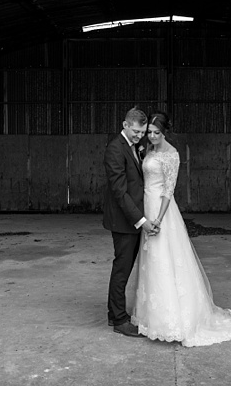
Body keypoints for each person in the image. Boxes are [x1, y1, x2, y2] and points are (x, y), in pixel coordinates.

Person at [126, 111, 231, 347]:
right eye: (149, 133)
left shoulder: (171, 154)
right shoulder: (148, 150)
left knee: (164, 258)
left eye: (157, 133)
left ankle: (171, 320)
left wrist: (158, 218)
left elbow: (169, 190)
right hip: (145, 206)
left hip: (160, 210)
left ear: (165, 132)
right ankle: (150, 316)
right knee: (150, 261)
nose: (152, 137)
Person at [102, 106, 160, 337]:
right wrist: (141, 220)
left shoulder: (134, 146)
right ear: (125, 125)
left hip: (133, 218)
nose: (139, 136)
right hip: (124, 221)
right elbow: (119, 192)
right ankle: (118, 320)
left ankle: (112, 313)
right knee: (122, 269)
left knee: (123, 268)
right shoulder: (115, 149)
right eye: (135, 131)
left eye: (142, 132)